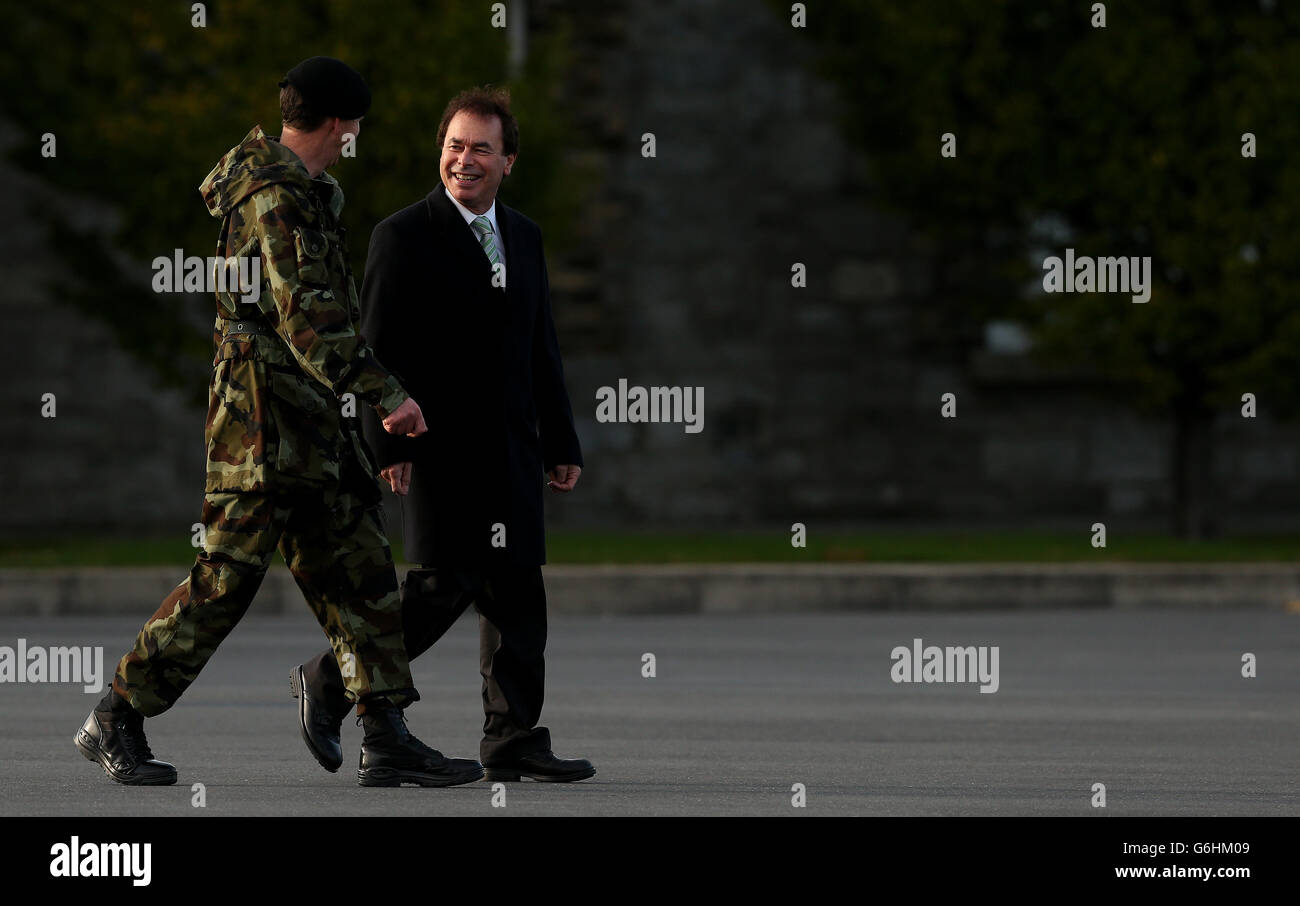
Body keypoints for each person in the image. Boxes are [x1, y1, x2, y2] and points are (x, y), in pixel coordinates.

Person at [75, 57, 483, 789]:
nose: (356, 136)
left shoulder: (308, 190)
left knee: (358, 568)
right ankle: (118, 711)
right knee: (227, 578)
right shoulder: (273, 198)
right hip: (259, 426)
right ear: (339, 124)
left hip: (309, 420)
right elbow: (307, 318)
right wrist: (387, 394)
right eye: (356, 125)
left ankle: (384, 731)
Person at [290, 86, 594, 782]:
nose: (464, 159)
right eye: (455, 145)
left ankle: (513, 737)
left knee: (518, 595)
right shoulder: (402, 236)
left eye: (481, 148)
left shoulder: (525, 236)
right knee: (440, 589)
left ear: (507, 160)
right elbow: (376, 349)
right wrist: (388, 446)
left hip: (513, 448)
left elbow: (540, 345)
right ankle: (329, 680)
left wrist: (561, 441)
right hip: (439, 448)